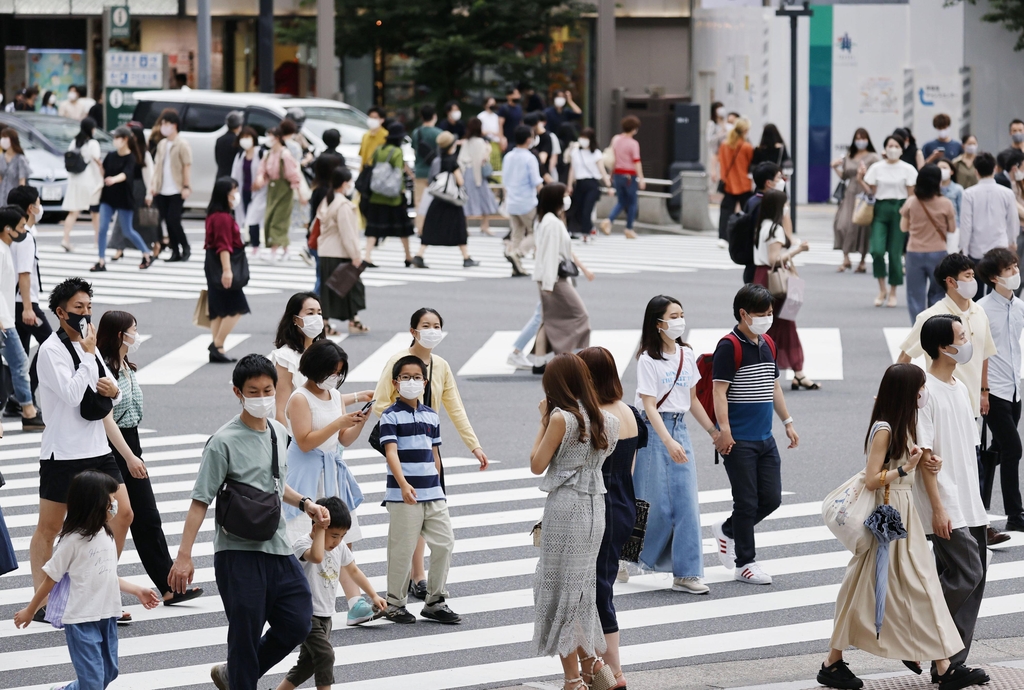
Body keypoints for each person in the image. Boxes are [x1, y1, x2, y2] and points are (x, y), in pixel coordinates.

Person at [168, 355, 331, 690]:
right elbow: (201, 501)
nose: (261, 398)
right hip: (237, 552)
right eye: (252, 392)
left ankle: (235, 675)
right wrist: (184, 556)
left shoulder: (278, 431)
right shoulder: (223, 442)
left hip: (277, 547)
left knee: (297, 621)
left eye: (267, 390)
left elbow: (273, 483)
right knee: (244, 636)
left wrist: (305, 503)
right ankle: (241, 677)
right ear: (237, 392)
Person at [817, 364, 985, 690]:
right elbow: (871, 479)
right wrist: (906, 470)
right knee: (913, 585)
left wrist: (926, 462)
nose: (924, 392)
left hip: (902, 513)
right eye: (920, 387)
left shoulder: (903, 424)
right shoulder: (884, 428)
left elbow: (910, 464)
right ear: (908, 391)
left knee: (870, 585)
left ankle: (834, 662)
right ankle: (942, 665)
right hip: (889, 515)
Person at [29, 277, 139, 622]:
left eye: (89, 307)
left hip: (96, 448)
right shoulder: (50, 351)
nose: (85, 314)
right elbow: (73, 395)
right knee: (50, 527)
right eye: (79, 308)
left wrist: (111, 389)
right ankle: (43, 599)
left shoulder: (86, 346)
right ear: (61, 313)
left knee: (123, 513)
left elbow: (113, 392)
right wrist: (90, 360)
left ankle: (100, 588)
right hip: (63, 452)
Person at [372, 308, 489, 596]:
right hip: (401, 444)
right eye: (426, 325)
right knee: (411, 511)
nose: (432, 330)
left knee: (428, 509)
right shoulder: (397, 362)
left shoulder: (441, 366)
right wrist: (402, 419)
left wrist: (473, 444)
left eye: (437, 325)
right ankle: (416, 576)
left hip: (429, 444)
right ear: (413, 330)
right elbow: (379, 402)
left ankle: (418, 577)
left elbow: (455, 406)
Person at [96, 310, 204, 606]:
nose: (137, 335)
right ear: (120, 334)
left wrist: (134, 454)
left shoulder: (126, 366)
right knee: (111, 521)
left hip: (132, 443)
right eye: (134, 329)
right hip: (112, 449)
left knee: (147, 518)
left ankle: (170, 586)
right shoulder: (104, 370)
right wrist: (129, 457)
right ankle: (99, 586)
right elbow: (107, 419)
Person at [14, 471, 161, 688]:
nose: (115, 504)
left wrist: (137, 590)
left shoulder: (106, 534)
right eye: (110, 500)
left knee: (108, 673)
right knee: (92, 682)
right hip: (81, 619)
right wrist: (31, 609)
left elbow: (107, 574)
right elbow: (51, 579)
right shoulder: (72, 541)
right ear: (94, 504)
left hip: (108, 615)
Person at [530, 352, 619, 690]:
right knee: (580, 591)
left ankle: (573, 681)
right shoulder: (607, 420)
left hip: (566, 509)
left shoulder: (561, 420)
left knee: (558, 592)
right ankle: (593, 665)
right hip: (596, 508)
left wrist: (542, 420)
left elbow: (537, 464)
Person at [916, 315, 994, 681]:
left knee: (975, 577)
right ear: (943, 347)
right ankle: (919, 637)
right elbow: (925, 458)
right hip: (945, 503)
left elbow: (967, 451)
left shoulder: (959, 387)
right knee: (968, 572)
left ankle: (949, 664)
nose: (968, 341)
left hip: (969, 500)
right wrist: (937, 507)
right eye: (961, 336)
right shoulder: (925, 392)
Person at [711, 284, 800, 585]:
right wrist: (724, 431)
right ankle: (745, 563)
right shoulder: (729, 346)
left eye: (770, 313)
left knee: (772, 498)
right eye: (761, 314)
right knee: (746, 501)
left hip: (765, 437)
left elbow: (772, 385)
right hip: (739, 440)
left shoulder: (768, 343)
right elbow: (719, 392)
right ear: (743, 314)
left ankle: (727, 530)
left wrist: (787, 421)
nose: (767, 319)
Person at [284, 341, 376, 623]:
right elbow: (303, 440)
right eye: (331, 371)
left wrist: (358, 421)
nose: (335, 377)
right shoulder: (299, 398)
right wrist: (339, 423)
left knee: (339, 537)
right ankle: (299, 604)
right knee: (306, 539)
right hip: (306, 475)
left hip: (331, 473)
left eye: (339, 372)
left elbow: (343, 440)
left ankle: (354, 602)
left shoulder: (334, 395)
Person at [633, 295, 717, 594]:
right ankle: (624, 553)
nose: (680, 320)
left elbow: (692, 400)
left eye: (682, 314)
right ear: (658, 324)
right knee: (652, 501)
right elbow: (649, 405)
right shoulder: (647, 359)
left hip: (678, 429)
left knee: (685, 502)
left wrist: (713, 431)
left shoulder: (687, 354)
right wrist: (667, 441)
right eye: (673, 316)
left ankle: (686, 572)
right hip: (655, 432)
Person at [378, 354, 460, 625]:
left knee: (445, 543)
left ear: (425, 382)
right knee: (401, 548)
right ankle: (395, 603)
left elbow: (434, 454)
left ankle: (435, 601)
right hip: (405, 494)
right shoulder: (390, 416)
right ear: (395, 382)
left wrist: (438, 486)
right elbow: (391, 453)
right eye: (405, 377)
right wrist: (403, 485)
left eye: (416, 378)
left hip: (432, 492)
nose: (411, 382)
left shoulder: (431, 416)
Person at [576, 346, 640, 688]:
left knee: (599, 588)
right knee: (600, 584)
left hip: (600, 506)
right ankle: (599, 666)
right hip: (624, 503)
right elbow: (629, 467)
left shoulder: (597, 416)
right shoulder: (628, 412)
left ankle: (614, 671)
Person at [275, 497, 387, 690]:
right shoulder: (302, 545)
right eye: (334, 535)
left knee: (308, 663)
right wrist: (320, 530)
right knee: (325, 655)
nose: (338, 541)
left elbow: (353, 571)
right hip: (306, 614)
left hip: (325, 615)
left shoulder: (340, 547)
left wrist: (373, 595)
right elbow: (316, 557)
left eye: (342, 536)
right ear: (318, 526)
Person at [897, 253, 997, 423]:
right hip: (942, 407)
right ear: (951, 281)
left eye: (973, 275)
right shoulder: (931, 317)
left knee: (972, 449)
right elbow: (905, 357)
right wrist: (896, 394)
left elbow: (984, 354)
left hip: (971, 407)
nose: (973, 280)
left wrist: (984, 391)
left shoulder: (979, 312)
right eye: (967, 276)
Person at [976, 249, 1024, 533]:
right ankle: (1015, 516)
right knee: (1013, 448)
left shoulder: (1019, 307)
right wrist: (983, 390)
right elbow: (981, 352)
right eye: (1009, 269)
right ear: (995, 277)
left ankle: (977, 496)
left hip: (1015, 389)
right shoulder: (981, 309)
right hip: (992, 390)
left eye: (1016, 266)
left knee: (997, 449)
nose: (1015, 272)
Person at [751, 189, 817, 389]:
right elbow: (774, 259)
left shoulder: (761, 226)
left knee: (767, 326)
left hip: (762, 277)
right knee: (787, 324)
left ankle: (771, 370)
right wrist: (798, 250)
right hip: (777, 281)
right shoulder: (775, 229)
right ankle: (798, 371)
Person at [533, 183, 595, 356]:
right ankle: (568, 356)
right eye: (564, 195)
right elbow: (551, 254)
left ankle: (540, 360)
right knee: (580, 315)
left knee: (549, 319)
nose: (567, 199)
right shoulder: (552, 223)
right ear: (556, 199)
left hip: (549, 277)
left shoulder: (546, 220)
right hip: (554, 279)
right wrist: (548, 284)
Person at [0, 206, 44, 430]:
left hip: (5, 318)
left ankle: (25, 409)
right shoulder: (0, 250)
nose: (23, 231)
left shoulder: (6, 248)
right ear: (7, 229)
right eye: (20, 227)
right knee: (19, 362)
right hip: (3, 321)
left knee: (16, 363)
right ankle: (27, 410)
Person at [864, 135, 919, 308]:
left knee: (895, 253)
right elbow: (871, 191)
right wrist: (860, 179)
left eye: (896, 146)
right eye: (890, 145)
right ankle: (882, 289)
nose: (893, 148)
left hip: (900, 209)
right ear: (885, 148)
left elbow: (911, 194)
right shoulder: (876, 167)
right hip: (880, 208)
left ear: (902, 149)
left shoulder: (908, 169)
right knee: (877, 250)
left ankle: (893, 291)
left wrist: (910, 214)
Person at [316, 167, 371, 335]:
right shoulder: (343, 205)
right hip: (340, 253)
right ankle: (350, 320)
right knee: (350, 288)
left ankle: (333, 322)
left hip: (326, 251)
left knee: (331, 290)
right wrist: (356, 255)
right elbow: (348, 233)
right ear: (345, 183)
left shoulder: (328, 200)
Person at [94, 126, 154, 272]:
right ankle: (101, 260)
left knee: (128, 231)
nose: (114, 141)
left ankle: (147, 253)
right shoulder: (111, 155)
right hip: (108, 197)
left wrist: (114, 179)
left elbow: (126, 174)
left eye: (117, 138)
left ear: (125, 139)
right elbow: (105, 173)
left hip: (124, 198)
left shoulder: (131, 157)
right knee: (102, 228)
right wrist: (100, 166)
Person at [901, 164, 957, 323]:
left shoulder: (911, 202)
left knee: (914, 295)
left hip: (914, 252)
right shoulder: (946, 203)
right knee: (938, 293)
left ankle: (918, 330)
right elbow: (952, 229)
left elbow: (903, 227)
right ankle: (935, 329)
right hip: (938, 253)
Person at [416, 131, 480, 269]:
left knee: (431, 227)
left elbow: (431, 178)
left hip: (438, 199)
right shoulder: (452, 161)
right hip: (451, 200)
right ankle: (466, 257)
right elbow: (460, 181)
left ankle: (419, 255)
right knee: (459, 228)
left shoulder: (436, 160)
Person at [204, 177, 250, 364]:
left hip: (211, 263)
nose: (236, 195)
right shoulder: (223, 218)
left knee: (218, 308)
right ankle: (217, 344)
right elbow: (224, 246)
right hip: (221, 263)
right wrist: (227, 270)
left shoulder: (213, 215)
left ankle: (218, 347)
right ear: (225, 194)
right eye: (234, 191)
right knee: (237, 307)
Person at [5, 186, 52, 360]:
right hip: (24, 303)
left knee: (20, 356)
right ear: (31, 209)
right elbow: (24, 273)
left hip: (14, 301)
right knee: (52, 345)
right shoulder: (24, 237)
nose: (41, 208)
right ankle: (29, 384)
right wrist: (27, 308)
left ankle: (23, 388)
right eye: (39, 203)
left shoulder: (14, 233)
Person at [363, 123, 414, 267]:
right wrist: (403, 192)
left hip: (376, 195)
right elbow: (398, 175)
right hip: (393, 197)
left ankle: (367, 256)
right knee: (403, 227)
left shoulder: (379, 150)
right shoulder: (397, 152)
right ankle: (408, 256)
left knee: (373, 227)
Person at [960, 152, 1018, 274]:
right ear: (995, 169)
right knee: (999, 286)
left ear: (976, 171)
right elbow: (1012, 221)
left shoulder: (968, 194)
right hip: (1000, 247)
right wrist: (1013, 241)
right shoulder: (1007, 193)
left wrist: (964, 249)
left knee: (977, 289)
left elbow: (966, 225)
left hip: (976, 249)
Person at [832, 128, 880, 273]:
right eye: (858, 138)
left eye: (863, 138)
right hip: (850, 193)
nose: (860, 141)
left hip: (864, 192)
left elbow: (877, 177)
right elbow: (844, 176)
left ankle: (862, 261)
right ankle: (846, 257)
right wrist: (834, 167)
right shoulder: (849, 156)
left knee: (862, 226)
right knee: (842, 224)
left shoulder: (873, 158)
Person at [148, 110, 193, 262]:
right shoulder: (162, 144)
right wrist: (154, 185)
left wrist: (186, 186)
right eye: (162, 124)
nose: (163, 127)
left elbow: (187, 166)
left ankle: (185, 247)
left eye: (166, 124)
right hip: (162, 188)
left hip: (177, 188)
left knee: (174, 220)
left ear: (174, 126)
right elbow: (157, 166)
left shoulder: (182, 144)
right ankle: (175, 251)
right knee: (167, 220)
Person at [255, 126, 303, 262]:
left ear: (277, 138)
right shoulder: (268, 154)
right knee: (270, 218)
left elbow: (293, 175)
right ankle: (286, 250)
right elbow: (262, 170)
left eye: (271, 136)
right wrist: (260, 178)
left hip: (284, 190)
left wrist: (299, 193)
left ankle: (274, 252)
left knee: (278, 221)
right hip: (272, 189)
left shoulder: (285, 154)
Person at [503, 125, 544, 276]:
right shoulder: (529, 158)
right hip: (527, 201)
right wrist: (545, 198)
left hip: (512, 201)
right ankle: (518, 253)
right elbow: (536, 181)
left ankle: (516, 267)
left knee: (517, 233)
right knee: (537, 231)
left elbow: (505, 180)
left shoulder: (508, 156)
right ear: (529, 139)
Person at [60, 117, 103, 254]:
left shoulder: (74, 142)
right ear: (91, 129)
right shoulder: (93, 143)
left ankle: (65, 239)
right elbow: (97, 161)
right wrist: (103, 174)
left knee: (73, 211)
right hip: (89, 181)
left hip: (74, 180)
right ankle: (97, 241)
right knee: (95, 212)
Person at [600, 115, 646, 239]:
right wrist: (641, 178)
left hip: (617, 174)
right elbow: (637, 161)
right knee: (632, 203)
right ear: (634, 129)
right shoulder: (633, 143)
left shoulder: (616, 139)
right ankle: (628, 228)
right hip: (629, 175)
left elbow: (613, 158)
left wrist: (611, 174)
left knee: (621, 201)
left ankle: (609, 221)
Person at [742, 162, 786, 283]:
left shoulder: (751, 201)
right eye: (779, 177)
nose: (782, 180)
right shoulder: (764, 205)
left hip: (752, 263)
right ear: (768, 183)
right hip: (761, 265)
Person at [567, 127, 611, 240]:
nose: (583, 140)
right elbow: (572, 170)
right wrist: (569, 185)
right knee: (579, 209)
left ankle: (586, 233)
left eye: (586, 138)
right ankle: (588, 229)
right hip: (579, 184)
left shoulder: (596, 153)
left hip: (592, 184)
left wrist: (608, 185)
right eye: (582, 137)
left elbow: (602, 170)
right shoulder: (575, 152)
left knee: (587, 209)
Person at [458, 116, 500, 236]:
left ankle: (465, 228)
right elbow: (481, 160)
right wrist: (488, 151)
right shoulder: (480, 142)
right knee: (486, 198)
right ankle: (485, 225)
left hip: (466, 173)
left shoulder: (466, 142)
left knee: (466, 200)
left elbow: (460, 159)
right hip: (477, 175)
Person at [716, 117, 754, 247]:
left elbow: (721, 162)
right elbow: (750, 164)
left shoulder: (724, 145)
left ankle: (723, 237)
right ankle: (746, 237)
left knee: (725, 212)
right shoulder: (746, 147)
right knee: (747, 213)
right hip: (744, 184)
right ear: (744, 131)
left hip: (728, 183)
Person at [231, 126, 267, 256]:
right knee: (245, 217)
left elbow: (266, 171)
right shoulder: (240, 155)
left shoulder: (261, 153)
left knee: (253, 218)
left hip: (259, 192)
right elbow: (235, 174)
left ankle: (256, 245)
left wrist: (261, 181)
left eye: (247, 137)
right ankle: (249, 242)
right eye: (242, 138)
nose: (245, 140)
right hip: (243, 191)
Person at [411, 104, 442, 232]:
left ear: (421, 117)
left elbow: (415, 152)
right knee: (436, 201)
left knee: (419, 201)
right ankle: (435, 227)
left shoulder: (416, 133)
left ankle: (420, 228)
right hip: (436, 173)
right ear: (434, 116)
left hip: (420, 171)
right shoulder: (439, 133)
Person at [0, 128, 31, 212]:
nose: (2, 140)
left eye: (5, 138)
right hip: (2, 197)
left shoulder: (20, 159)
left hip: (14, 199)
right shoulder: (1, 158)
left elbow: (22, 182)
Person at [215, 110, 243, 180]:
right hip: (233, 176)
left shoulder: (220, 140)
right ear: (239, 126)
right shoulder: (238, 141)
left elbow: (217, 159)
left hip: (220, 175)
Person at [358, 106, 388, 170]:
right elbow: (362, 156)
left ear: (382, 120)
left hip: (378, 171)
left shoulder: (386, 136)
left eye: (375, 118)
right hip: (365, 172)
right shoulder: (365, 135)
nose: (372, 120)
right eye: (370, 117)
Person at [478, 96, 503, 170]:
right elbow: (479, 131)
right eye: (490, 103)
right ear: (485, 104)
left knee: (496, 164)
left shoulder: (496, 116)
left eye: (494, 103)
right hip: (485, 143)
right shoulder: (481, 116)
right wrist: (490, 132)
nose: (493, 105)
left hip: (496, 143)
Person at [938, 158, 965, 228]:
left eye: (944, 168)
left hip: (954, 226)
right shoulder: (932, 189)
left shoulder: (958, 189)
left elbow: (961, 210)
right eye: (939, 168)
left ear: (951, 171)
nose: (941, 170)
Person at [706, 101, 728, 185]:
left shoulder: (725, 123)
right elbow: (709, 140)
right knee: (715, 178)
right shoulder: (712, 124)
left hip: (725, 153)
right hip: (715, 153)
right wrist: (720, 134)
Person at [498, 87, 524, 151]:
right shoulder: (504, 108)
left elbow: (521, 122)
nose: (518, 96)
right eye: (516, 94)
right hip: (508, 140)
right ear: (509, 96)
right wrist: (501, 138)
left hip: (517, 139)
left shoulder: (519, 107)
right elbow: (500, 124)